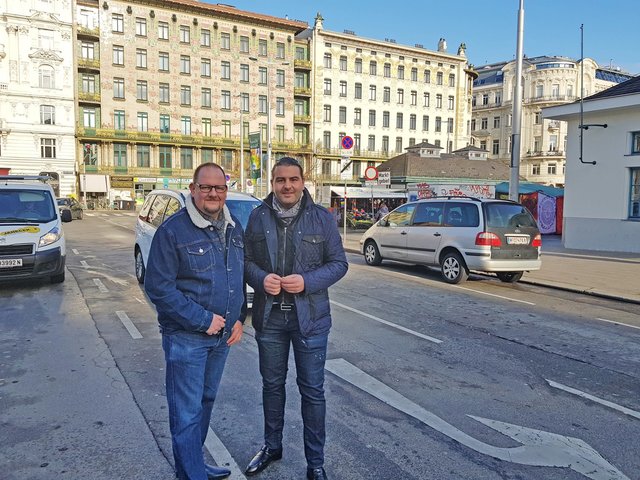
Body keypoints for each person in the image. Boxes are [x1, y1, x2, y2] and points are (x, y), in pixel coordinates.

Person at [244, 157, 348, 480]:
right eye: (280, 180)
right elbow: (245, 261)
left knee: (312, 391)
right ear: (272, 183)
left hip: (311, 320)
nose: (287, 186)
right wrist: (261, 279)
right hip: (270, 318)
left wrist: (307, 282)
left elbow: (339, 264)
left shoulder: (322, 219)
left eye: (293, 179)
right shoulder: (258, 217)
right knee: (272, 386)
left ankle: (315, 463)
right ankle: (272, 446)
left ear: (303, 182)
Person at [144, 162, 245, 480]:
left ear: (225, 191)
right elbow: (158, 287)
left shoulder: (233, 226)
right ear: (193, 189)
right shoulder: (173, 230)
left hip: (222, 336)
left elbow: (236, 275)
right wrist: (203, 320)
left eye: (219, 188)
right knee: (186, 412)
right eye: (206, 187)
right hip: (187, 337)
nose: (213, 193)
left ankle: (195, 465)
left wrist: (239, 317)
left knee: (205, 401)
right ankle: (190, 474)